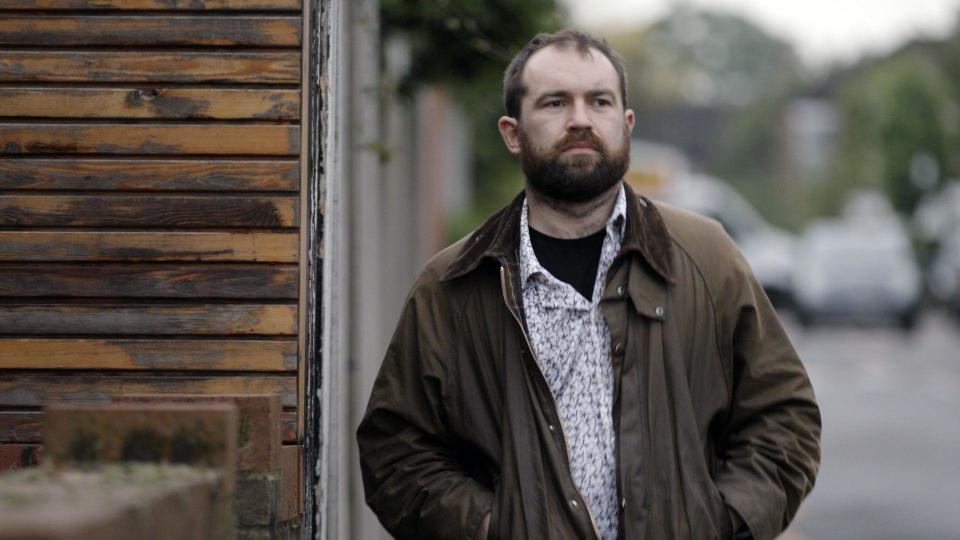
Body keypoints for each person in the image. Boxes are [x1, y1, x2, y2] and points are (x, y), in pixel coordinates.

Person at [357, 29, 821, 540]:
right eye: (555, 102)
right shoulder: (453, 285)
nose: (580, 119)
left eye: (598, 101)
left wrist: (725, 520)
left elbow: (784, 417)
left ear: (625, 125)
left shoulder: (706, 260)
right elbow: (394, 451)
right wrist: (491, 527)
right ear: (512, 133)